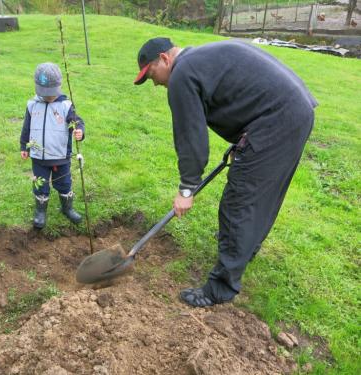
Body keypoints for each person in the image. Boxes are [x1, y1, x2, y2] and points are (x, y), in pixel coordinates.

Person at [134, 37, 317, 308]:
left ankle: (220, 288)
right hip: (295, 112)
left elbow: (191, 139)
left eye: (152, 75)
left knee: (239, 201)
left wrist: (187, 188)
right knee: (262, 195)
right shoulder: (200, 59)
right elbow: (243, 93)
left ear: (164, 59)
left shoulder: (183, 74)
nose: (156, 83)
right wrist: (244, 138)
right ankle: (244, 250)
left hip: (276, 120)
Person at [20, 62, 85, 229]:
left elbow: (77, 121)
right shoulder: (32, 105)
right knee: (40, 184)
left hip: (60, 157)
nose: (49, 97)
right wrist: (24, 147)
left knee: (64, 184)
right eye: (45, 93)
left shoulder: (66, 106)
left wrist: (79, 131)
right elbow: (26, 128)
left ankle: (67, 208)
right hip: (38, 157)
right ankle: (40, 211)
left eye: (51, 93)